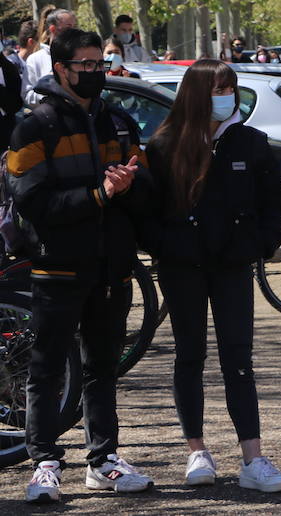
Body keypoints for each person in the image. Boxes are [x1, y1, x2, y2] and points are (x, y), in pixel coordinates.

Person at [7, 28, 152, 502]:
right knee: (46, 368)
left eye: (99, 64)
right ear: (61, 68)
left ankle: (104, 460)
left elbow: (146, 187)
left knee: (102, 368)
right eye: (84, 65)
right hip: (56, 267)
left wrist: (131, 184)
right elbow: (30, 198)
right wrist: (99, 194)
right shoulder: (35, 124)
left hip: (111, 268)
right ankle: (44, 463)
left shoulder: (119, 122)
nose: (94, 73)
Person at [144, 59, 281, 493]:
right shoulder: (165, 144)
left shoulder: (250, 141)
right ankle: (197, 451)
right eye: (217, 89)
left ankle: (253, 457)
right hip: (181, 267)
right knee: (189, 355)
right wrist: (169, 247)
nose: (226, 97)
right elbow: (148, 212)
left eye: (231, 88)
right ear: (196, 94)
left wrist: (259, 244)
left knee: (238, 358)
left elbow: (273, 204)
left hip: (232, 266)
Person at [23, 8, 75, 101]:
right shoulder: (35, 59)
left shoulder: (79, 54)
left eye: (74, 27)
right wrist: (52, 98)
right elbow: (27, 94)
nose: (73, 32)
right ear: (53, 29)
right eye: (68, 28)